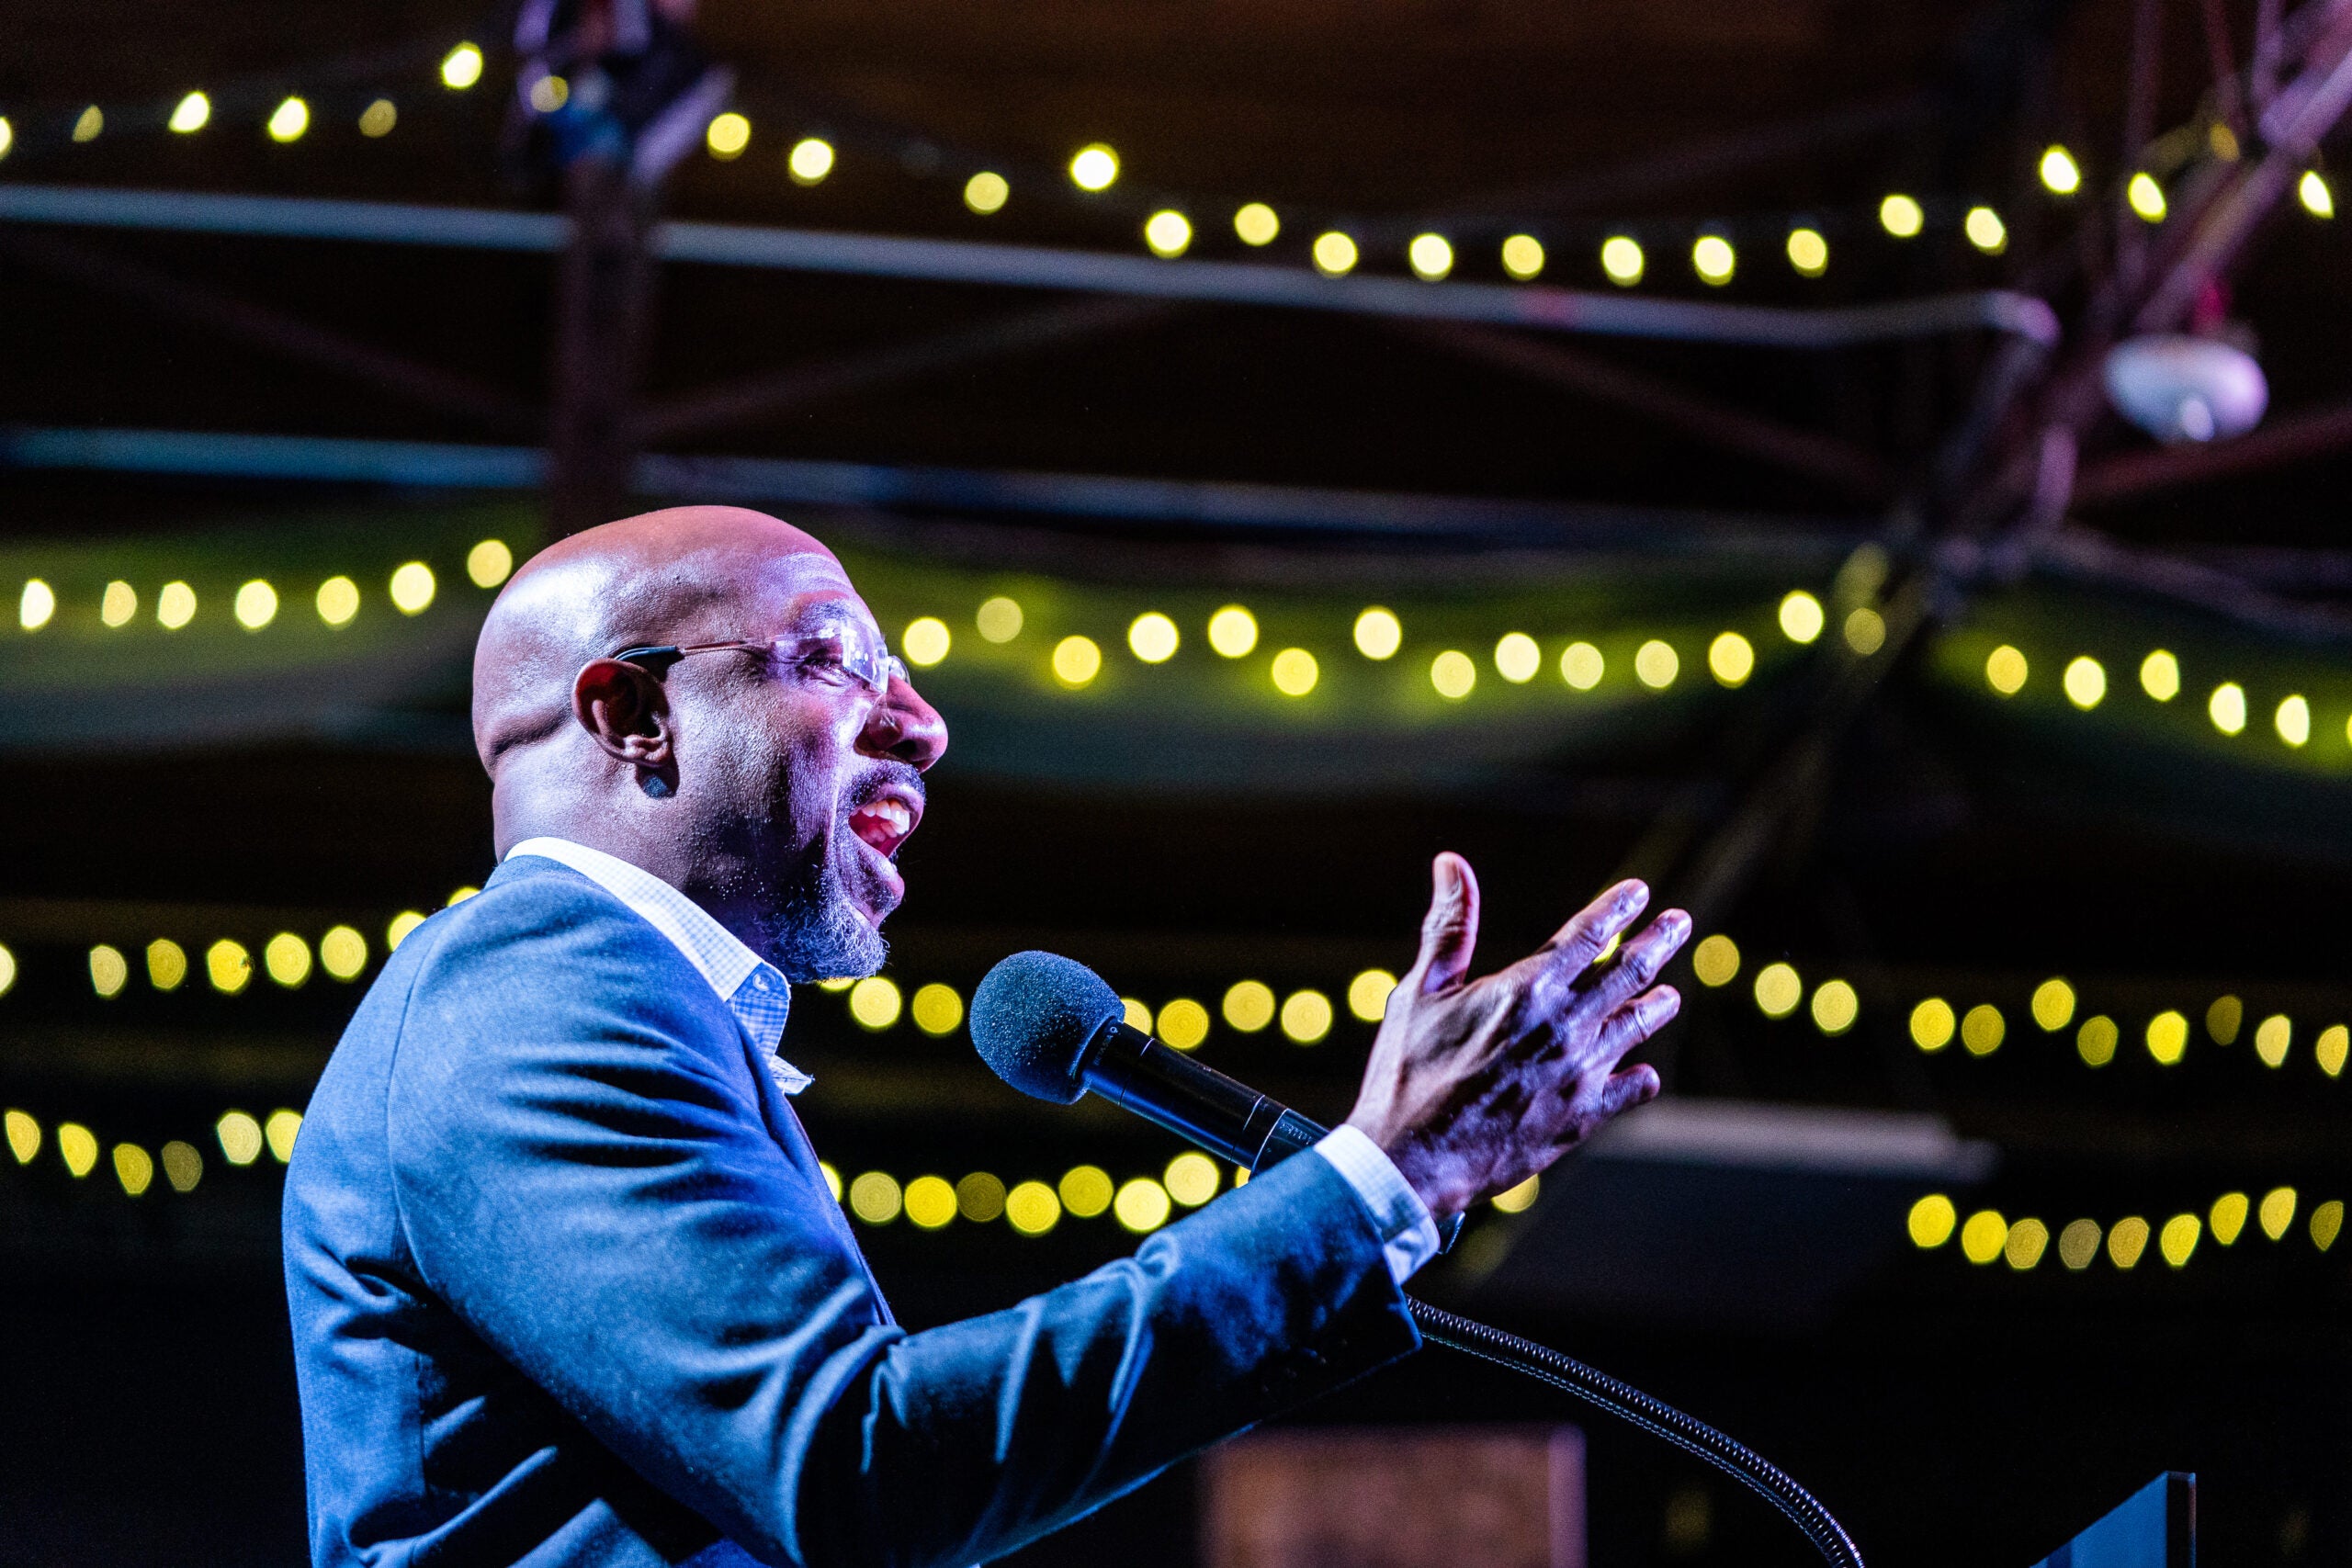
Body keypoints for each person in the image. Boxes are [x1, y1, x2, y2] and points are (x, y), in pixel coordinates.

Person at [282, 505, 1690, 1568]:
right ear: (634, 713)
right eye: (837, 662)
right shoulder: (531, 1003)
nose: (925, 725)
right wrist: (1382, 1179)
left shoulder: (619, 1009)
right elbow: (857, 1465)